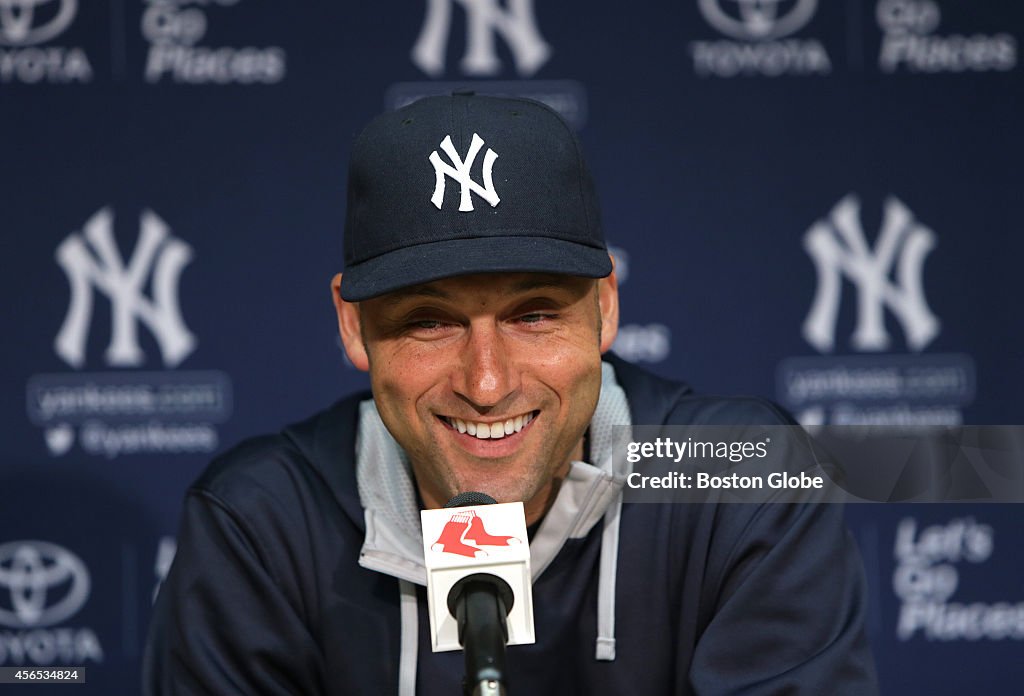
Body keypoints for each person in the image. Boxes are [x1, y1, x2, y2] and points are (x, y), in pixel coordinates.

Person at [143, 92, 878, 695]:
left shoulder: (741, 484)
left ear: (606, 309)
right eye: (429, 322)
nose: (487, 383)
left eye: (533, 315)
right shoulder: (260, 524)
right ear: (353, 325)